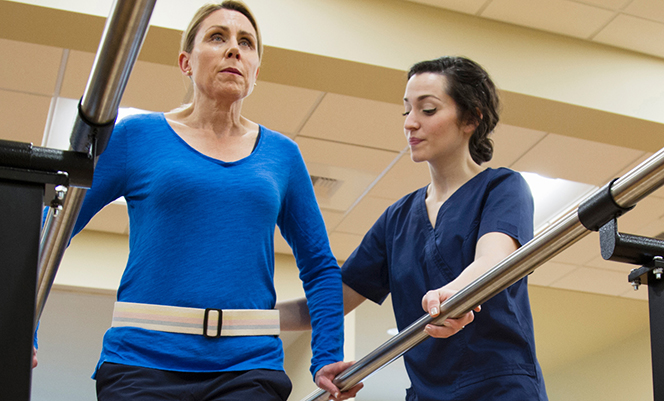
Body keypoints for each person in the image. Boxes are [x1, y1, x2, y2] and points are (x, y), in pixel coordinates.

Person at [36, 1, 360, 400]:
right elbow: (55, 226)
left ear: (256, 70)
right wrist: (24, 322)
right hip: (142, 361)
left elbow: (320, 266)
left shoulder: (283, 155)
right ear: (186, 62)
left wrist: (327, 354)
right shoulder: (136, 137)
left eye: (247, 42)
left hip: (248, 367)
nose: (234, 49)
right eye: (217, 37)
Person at [277, 56, 548, 400]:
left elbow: (492, 261)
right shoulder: (397, 220)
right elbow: (332, 301)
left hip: (499, 388)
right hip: (427, 393)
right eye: (407, 111)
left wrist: (452, 296)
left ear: (471, 118)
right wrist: (247, 318)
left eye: (428, 110)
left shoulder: (502, 188)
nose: (410, 123)